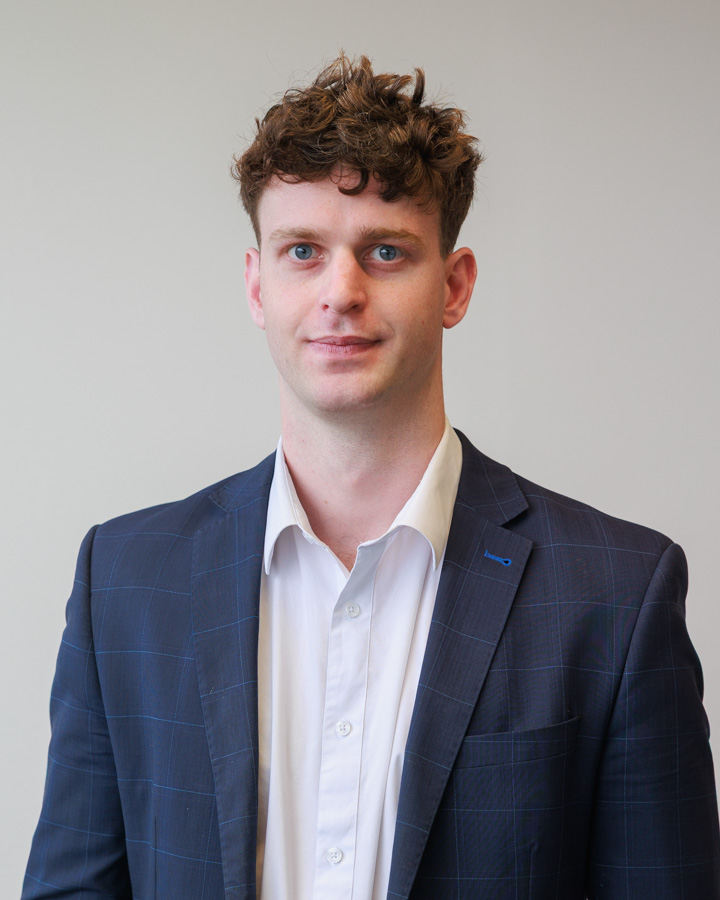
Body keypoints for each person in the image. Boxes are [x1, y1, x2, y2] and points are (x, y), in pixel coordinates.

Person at [23, 54, 719, 900]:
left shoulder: (616, 595)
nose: (341, 292)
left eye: (385, 251)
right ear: (257, 286)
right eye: (302, 251)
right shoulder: (125, 581)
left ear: (454, 286)